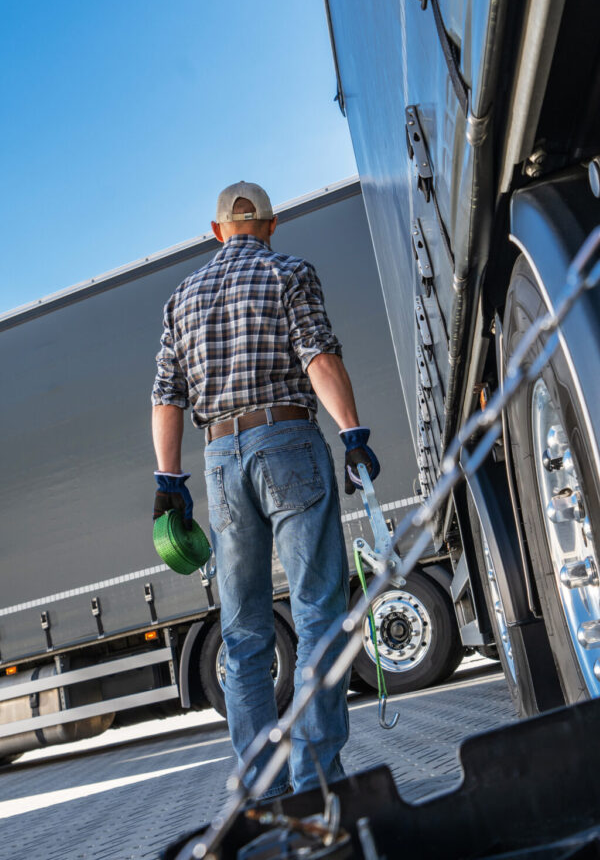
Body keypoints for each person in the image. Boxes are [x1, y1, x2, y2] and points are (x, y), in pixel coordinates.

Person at [150, 180, 379, 798]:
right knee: (316, 615)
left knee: (244, 632)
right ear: (272, 226)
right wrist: (353, 432)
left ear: (217, 231)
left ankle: (265, 792)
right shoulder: (290, 272)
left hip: (220, 456)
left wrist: (169, 481)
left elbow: (166, 396)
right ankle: (316, 783)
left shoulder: (182, 297)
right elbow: (318, 357)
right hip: (288, 443)